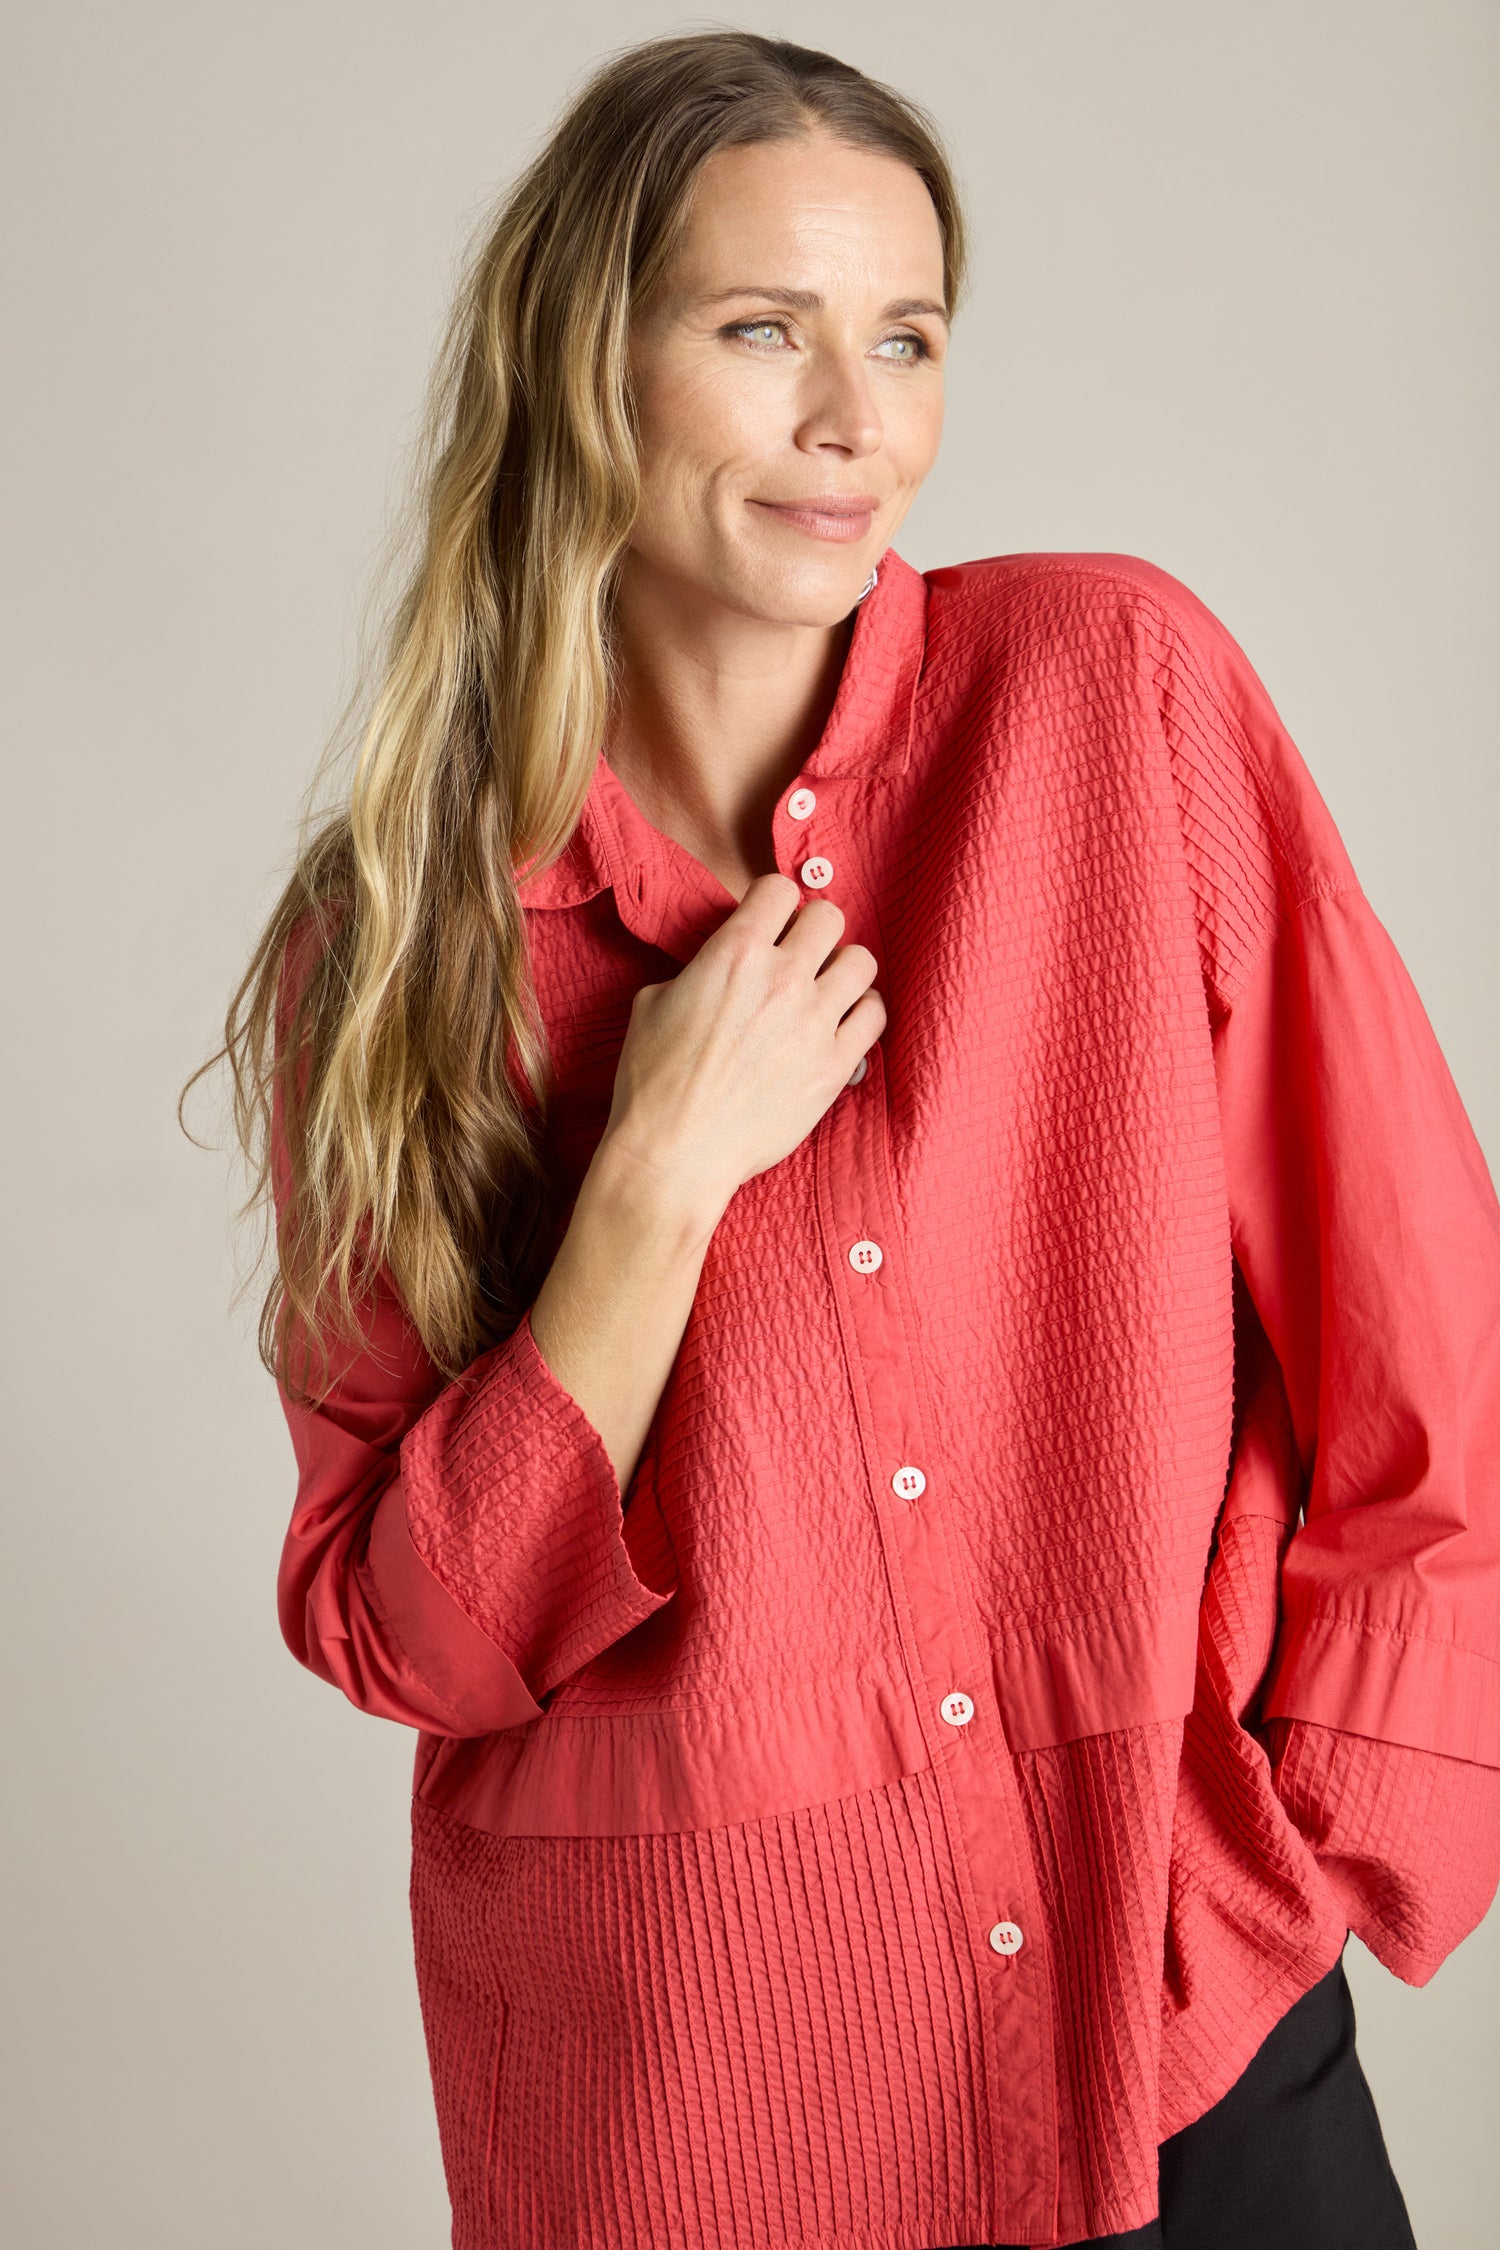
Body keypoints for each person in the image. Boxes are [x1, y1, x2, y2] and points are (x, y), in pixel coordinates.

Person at [194, 29, 1500, 2250]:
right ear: (583, 366)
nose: (854, 419)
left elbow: (1426, 1325)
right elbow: (408, 1636)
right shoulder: (398, 947)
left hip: (1173, 2028)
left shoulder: (1116, 698)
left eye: (904, 337)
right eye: (760, 331)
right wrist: (651, 1191)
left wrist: (1312, 1862)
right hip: (700, 2108)